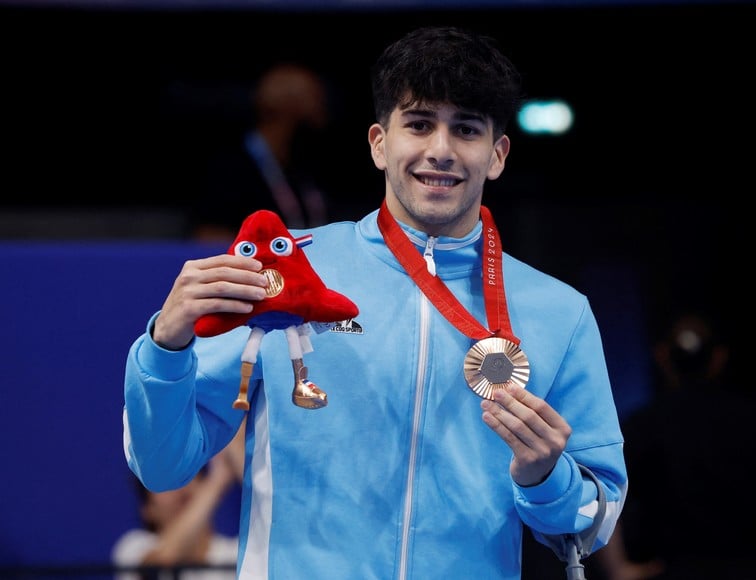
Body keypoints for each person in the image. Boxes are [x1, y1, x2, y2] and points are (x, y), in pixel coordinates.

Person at [122, 26, 627, 579]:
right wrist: (165, 347)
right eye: (418, 124)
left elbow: (595, 521)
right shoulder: (286, 272)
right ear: (379, 144)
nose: (441, 149)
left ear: (497, 154)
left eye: (466, 129)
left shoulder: (560, 310)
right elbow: (163, 464)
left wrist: (545, 475)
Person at [591, 309, 756, 580]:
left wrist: (618, 569)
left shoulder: (643, 424)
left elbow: (599, 486)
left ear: (663, 357)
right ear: (719, 357)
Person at [188, 62, 332, 242]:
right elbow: (209, 236)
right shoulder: (232, 169)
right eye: (315, 100)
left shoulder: (305, 167)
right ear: (288, 106)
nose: (322, 113)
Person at [112, 441, 242, 580]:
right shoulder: (133, 548)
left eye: (186, 476)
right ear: (148, 510)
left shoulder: (237, 554)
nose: (179, 488)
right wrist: (219, 479)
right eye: (164, 483)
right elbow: (162, 563)